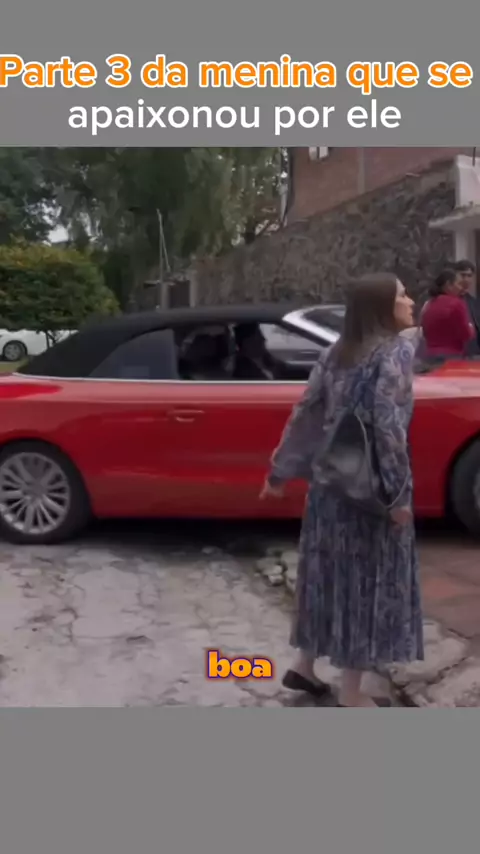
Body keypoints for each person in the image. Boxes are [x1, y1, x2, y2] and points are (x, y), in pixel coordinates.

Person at [260, 273, 424, 707]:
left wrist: (279, 471)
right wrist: (398, 497)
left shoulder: (335, 353)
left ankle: (304, 665)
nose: (411, 301)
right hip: (369, 495)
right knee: (364, 588)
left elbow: (306, 414)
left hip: (329, 489)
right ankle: (352, 694)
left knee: (326, 579)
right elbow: (388, 430)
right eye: (402, 295)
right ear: (381, 307)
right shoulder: (392, 354)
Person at [421, 268, 474, 358]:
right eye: (459, 284)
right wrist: (471, 328)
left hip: (430, 354)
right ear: (449, 285)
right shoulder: (456, 303)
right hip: (452, 355)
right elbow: (465, 333)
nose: (460, 288)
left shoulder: (429, 304)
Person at [453, 259, 480, 352]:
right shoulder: (446, 301)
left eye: (469, 276)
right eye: (463, 275)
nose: (466, 279)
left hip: (473, 354)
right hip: (453, 353)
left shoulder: (474, 303)